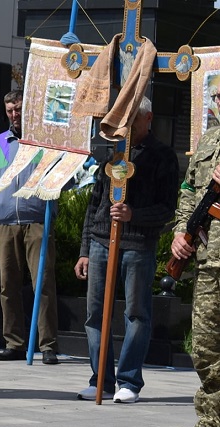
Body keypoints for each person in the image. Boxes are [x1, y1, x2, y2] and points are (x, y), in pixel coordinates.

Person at [74, 96, 179, 403]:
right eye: (125, 121)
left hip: (137, 244)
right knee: (95, 313)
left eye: (135, 120)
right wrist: (84, 249)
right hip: (101, 241)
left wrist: (135, 215)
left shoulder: (163, 157)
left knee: (136, 313)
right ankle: (101, 378)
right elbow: (95, 203)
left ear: (149, 119)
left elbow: (168, 208)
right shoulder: (111, 153)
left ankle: (129, 380)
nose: (129, 127)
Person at [0, 90, 60, 365]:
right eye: (10, 110)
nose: (15, 115)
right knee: (7, 286)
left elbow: (61, 178)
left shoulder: (44, 142)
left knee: (43, 284)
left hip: (37, 220)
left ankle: (48, 345)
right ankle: (14, 342)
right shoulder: (1, 143)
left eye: (18, 109)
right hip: (5, 223)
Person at [169, 126, 220, 427]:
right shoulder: (209, 139)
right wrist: (179, 231)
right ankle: (213, 418)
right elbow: (189, 190)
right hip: (207, 259)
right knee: (203, 345)